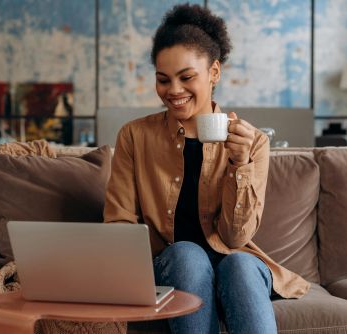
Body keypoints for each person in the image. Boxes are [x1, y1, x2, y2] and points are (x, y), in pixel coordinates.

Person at [104, 4, 310, 334]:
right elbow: (119, 222)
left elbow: (235, 237)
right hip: (172, 265)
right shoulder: (134, 136)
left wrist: (239, 164)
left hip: (233, 262)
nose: (173, 90)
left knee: (241, 263)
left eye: (186, 77)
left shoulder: (252, 141)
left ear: (214, 73)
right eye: (163, 79)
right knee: (187, 255)